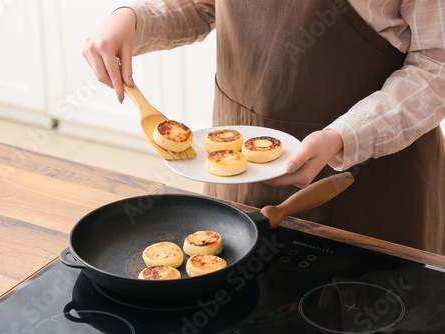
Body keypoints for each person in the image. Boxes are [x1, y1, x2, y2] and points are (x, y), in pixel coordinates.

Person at [83, 0, 445, 254]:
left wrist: (342, 138)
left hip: (370, 182)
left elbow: (436, 64)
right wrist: (132, 18)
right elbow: (201, 5)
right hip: (234, 167)